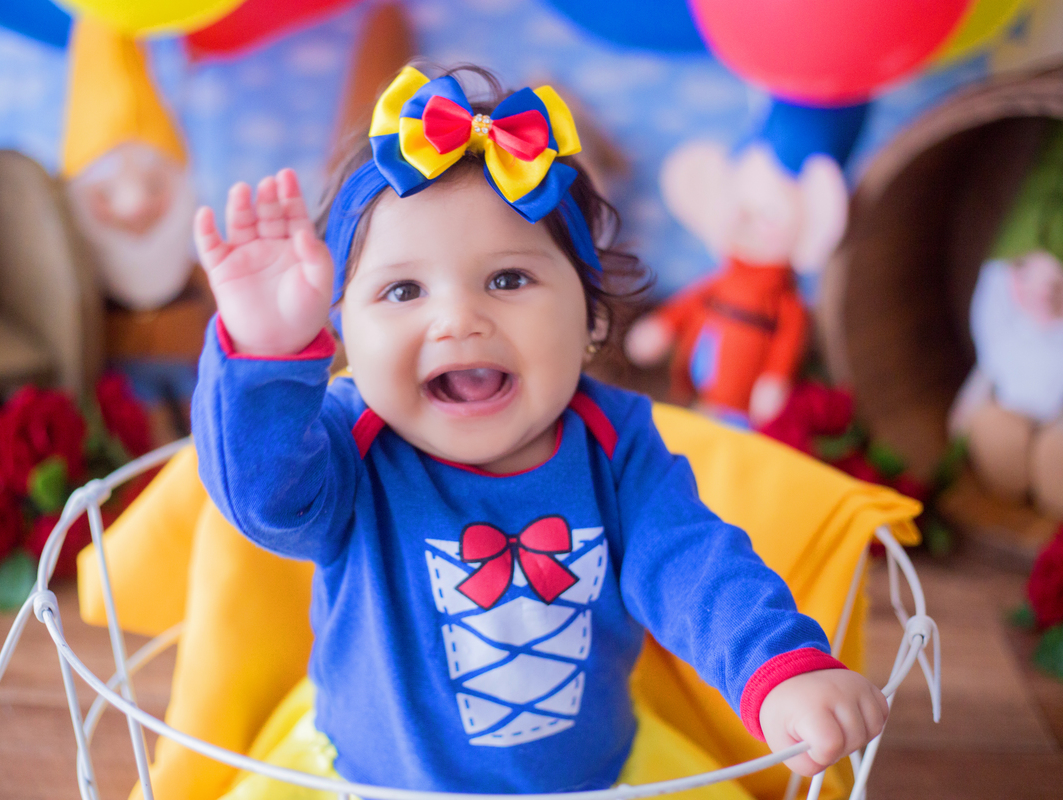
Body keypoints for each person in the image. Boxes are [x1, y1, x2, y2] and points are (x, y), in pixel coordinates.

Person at [190, 65, 887, 796]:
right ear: (343, 339)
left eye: (508, 280)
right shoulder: (349, 440)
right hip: (368, 781)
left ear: (590, 318)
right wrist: (266, 356)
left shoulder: (615, 444)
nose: (458, 318)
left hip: (593, 780)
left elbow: (694, 565)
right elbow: (264, 498)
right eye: (402, 290)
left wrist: (777, 667)